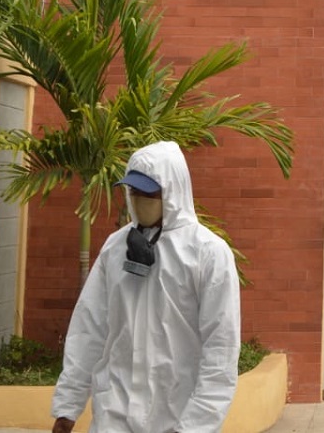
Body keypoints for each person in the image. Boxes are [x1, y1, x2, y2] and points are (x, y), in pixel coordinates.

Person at [51, 141, 241, 433]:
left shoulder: (207, 253)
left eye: (149, 193)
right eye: (133, 191)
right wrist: (68, 406)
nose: (139, 199)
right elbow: (89, 327)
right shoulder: (116, 247)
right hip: (114, 412)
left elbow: (220, 347)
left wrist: (196, 425)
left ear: (172, 190)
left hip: (176, 416)